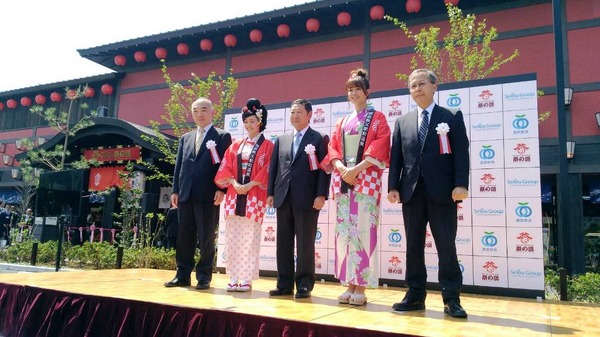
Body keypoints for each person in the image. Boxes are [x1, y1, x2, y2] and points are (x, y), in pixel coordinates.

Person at [387, 68, 470, 318]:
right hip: (411, 192)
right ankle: (414, 296)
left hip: (443, 192)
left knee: (446, 245)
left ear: (435, 87)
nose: (417, 89)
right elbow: (396, 157)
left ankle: (451, 298)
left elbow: (461, 153)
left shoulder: (451, 116)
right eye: (412, 85)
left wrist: (461, 184)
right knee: (413, 246)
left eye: (422, 83)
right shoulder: (402, 122)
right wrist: (393, 186)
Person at [325, 68, 390, 306]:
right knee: (345, 234)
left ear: (367, 92)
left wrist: (356, 170)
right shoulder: (342, 122)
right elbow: (332, 148)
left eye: (357, 89)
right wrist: (342, 168)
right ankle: (348, 282)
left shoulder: (378, 118)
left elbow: (381, 145)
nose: (353, 93)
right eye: (350, 90)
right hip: (343, 180)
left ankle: (360, 285)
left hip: (365, 180)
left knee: (363, 232)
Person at [164, 97, 232, 290]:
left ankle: (204, 276)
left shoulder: (222, 136)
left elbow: (225, 165)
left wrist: (222, 189)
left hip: (209, 194)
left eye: (203, 110)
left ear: (212, 112)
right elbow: (179, 166)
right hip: (185, 194)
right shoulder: (186, 137)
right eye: (195, 111)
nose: (199, 114)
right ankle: (182, 274)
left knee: (206, 236)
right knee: (184, 236)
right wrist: (175, 189)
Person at [267, 98, 331, 299]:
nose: (294, 116)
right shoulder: (282, 139)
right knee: (283, 242)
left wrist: (321, 194)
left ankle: (304, 284)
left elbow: (324, 170)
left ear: (309, 115)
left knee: (305, 243)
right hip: (283, 197)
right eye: (292, 112)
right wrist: (270, 193)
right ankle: (284, 283)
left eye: (299, 112)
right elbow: (274, 169)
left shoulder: (320, 138)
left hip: (307, 198)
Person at [215, 98, 274, 292]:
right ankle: (232, 276)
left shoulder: (268, 147)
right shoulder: (235, 145)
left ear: (260, 122)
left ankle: (246, 278)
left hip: (254, 195)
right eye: (246, 122)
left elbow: (268, 169)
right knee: (232, 236)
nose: (249, 125)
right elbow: (226, 166)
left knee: (251, 237)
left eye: (253, 121)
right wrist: (233, 183)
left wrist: (250, 184)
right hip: (234, 195)